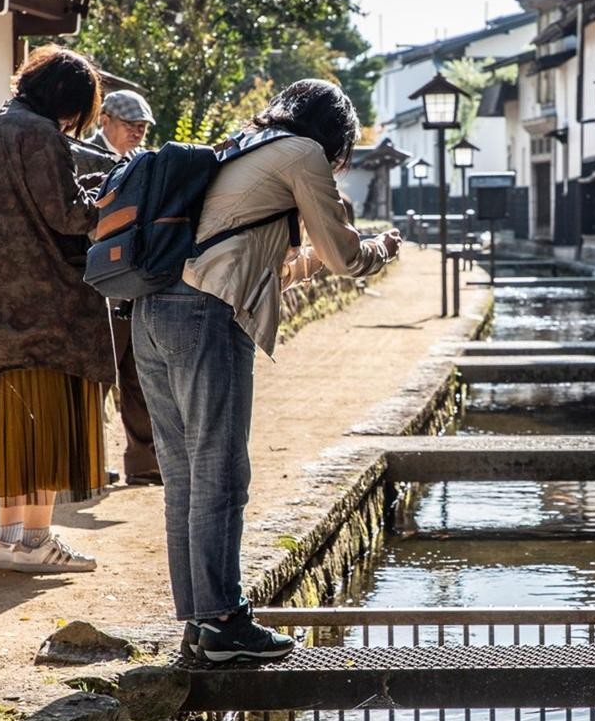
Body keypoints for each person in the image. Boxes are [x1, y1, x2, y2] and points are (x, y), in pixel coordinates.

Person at [132, 79, 402, 663]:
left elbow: (269, 261)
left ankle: (202, 624)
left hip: (153, 312)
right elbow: (344, 256)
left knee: (186, 474)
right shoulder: (302, 155)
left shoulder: (244, 145)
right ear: (335, 136)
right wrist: (381, 247)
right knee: (222, 473)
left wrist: (313, 260)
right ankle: (226, 620)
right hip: (208, 316)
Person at [0, 45, 114, 573]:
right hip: (47, 305)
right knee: (48, 425)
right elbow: (67, 216)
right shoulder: (41, 134)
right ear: (65, 99)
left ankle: (8, 538)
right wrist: (109, 203)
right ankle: (38, 540)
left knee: (13, 429)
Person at [76, 88, 162, 487]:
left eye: (143, 127)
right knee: (96, 376)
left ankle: (143, 464)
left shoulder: (140, 161)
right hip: (97, 283)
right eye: (131, 125)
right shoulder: (80, 155)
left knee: (139, 376)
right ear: (105, 118)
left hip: (132, 281)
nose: (138, 133)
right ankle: (86, 466)